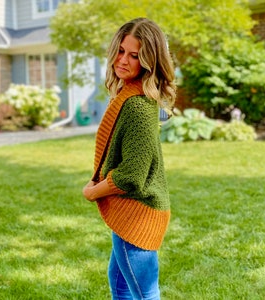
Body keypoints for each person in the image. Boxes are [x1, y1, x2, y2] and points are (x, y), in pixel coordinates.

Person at [82, 17, 176, 300]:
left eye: (134, 55)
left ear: (149, 61)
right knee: (121, 285)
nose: (123, 60)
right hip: (132, 212)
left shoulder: (137, 106)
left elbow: (132, 176)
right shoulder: (129, 95)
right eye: (121, 50)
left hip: (137, 213)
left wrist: (92, 191)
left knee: (145, 293)